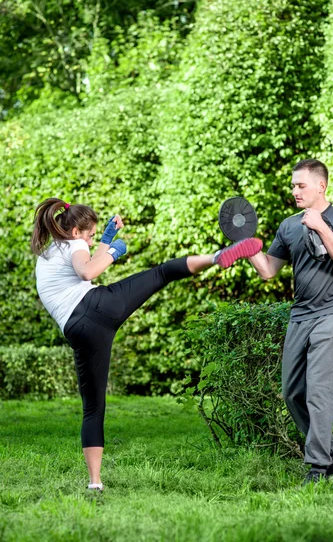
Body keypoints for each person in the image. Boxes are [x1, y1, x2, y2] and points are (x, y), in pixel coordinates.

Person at [31, 197, 262, 490]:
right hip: (97, 307)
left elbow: (84, 262)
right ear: (76, 231)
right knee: (162, 273)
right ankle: (218, 257)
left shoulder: (50, 252)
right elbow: (87, 271)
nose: (90, 242)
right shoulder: (75, 245)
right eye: (90, 235)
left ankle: (95, 483)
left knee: (93, 408)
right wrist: (113, 251)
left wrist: (105, 240)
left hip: (79, 330)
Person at [248, 159, 333, 485]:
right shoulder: (288, 225)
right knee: (292, 392)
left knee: (319, 393)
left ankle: (319, 469)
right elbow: (269, 270)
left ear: (321, 186)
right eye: (293, 185)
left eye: (300, 185)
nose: (294, 191)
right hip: (301, 315)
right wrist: (248, 244)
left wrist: (322, 227)